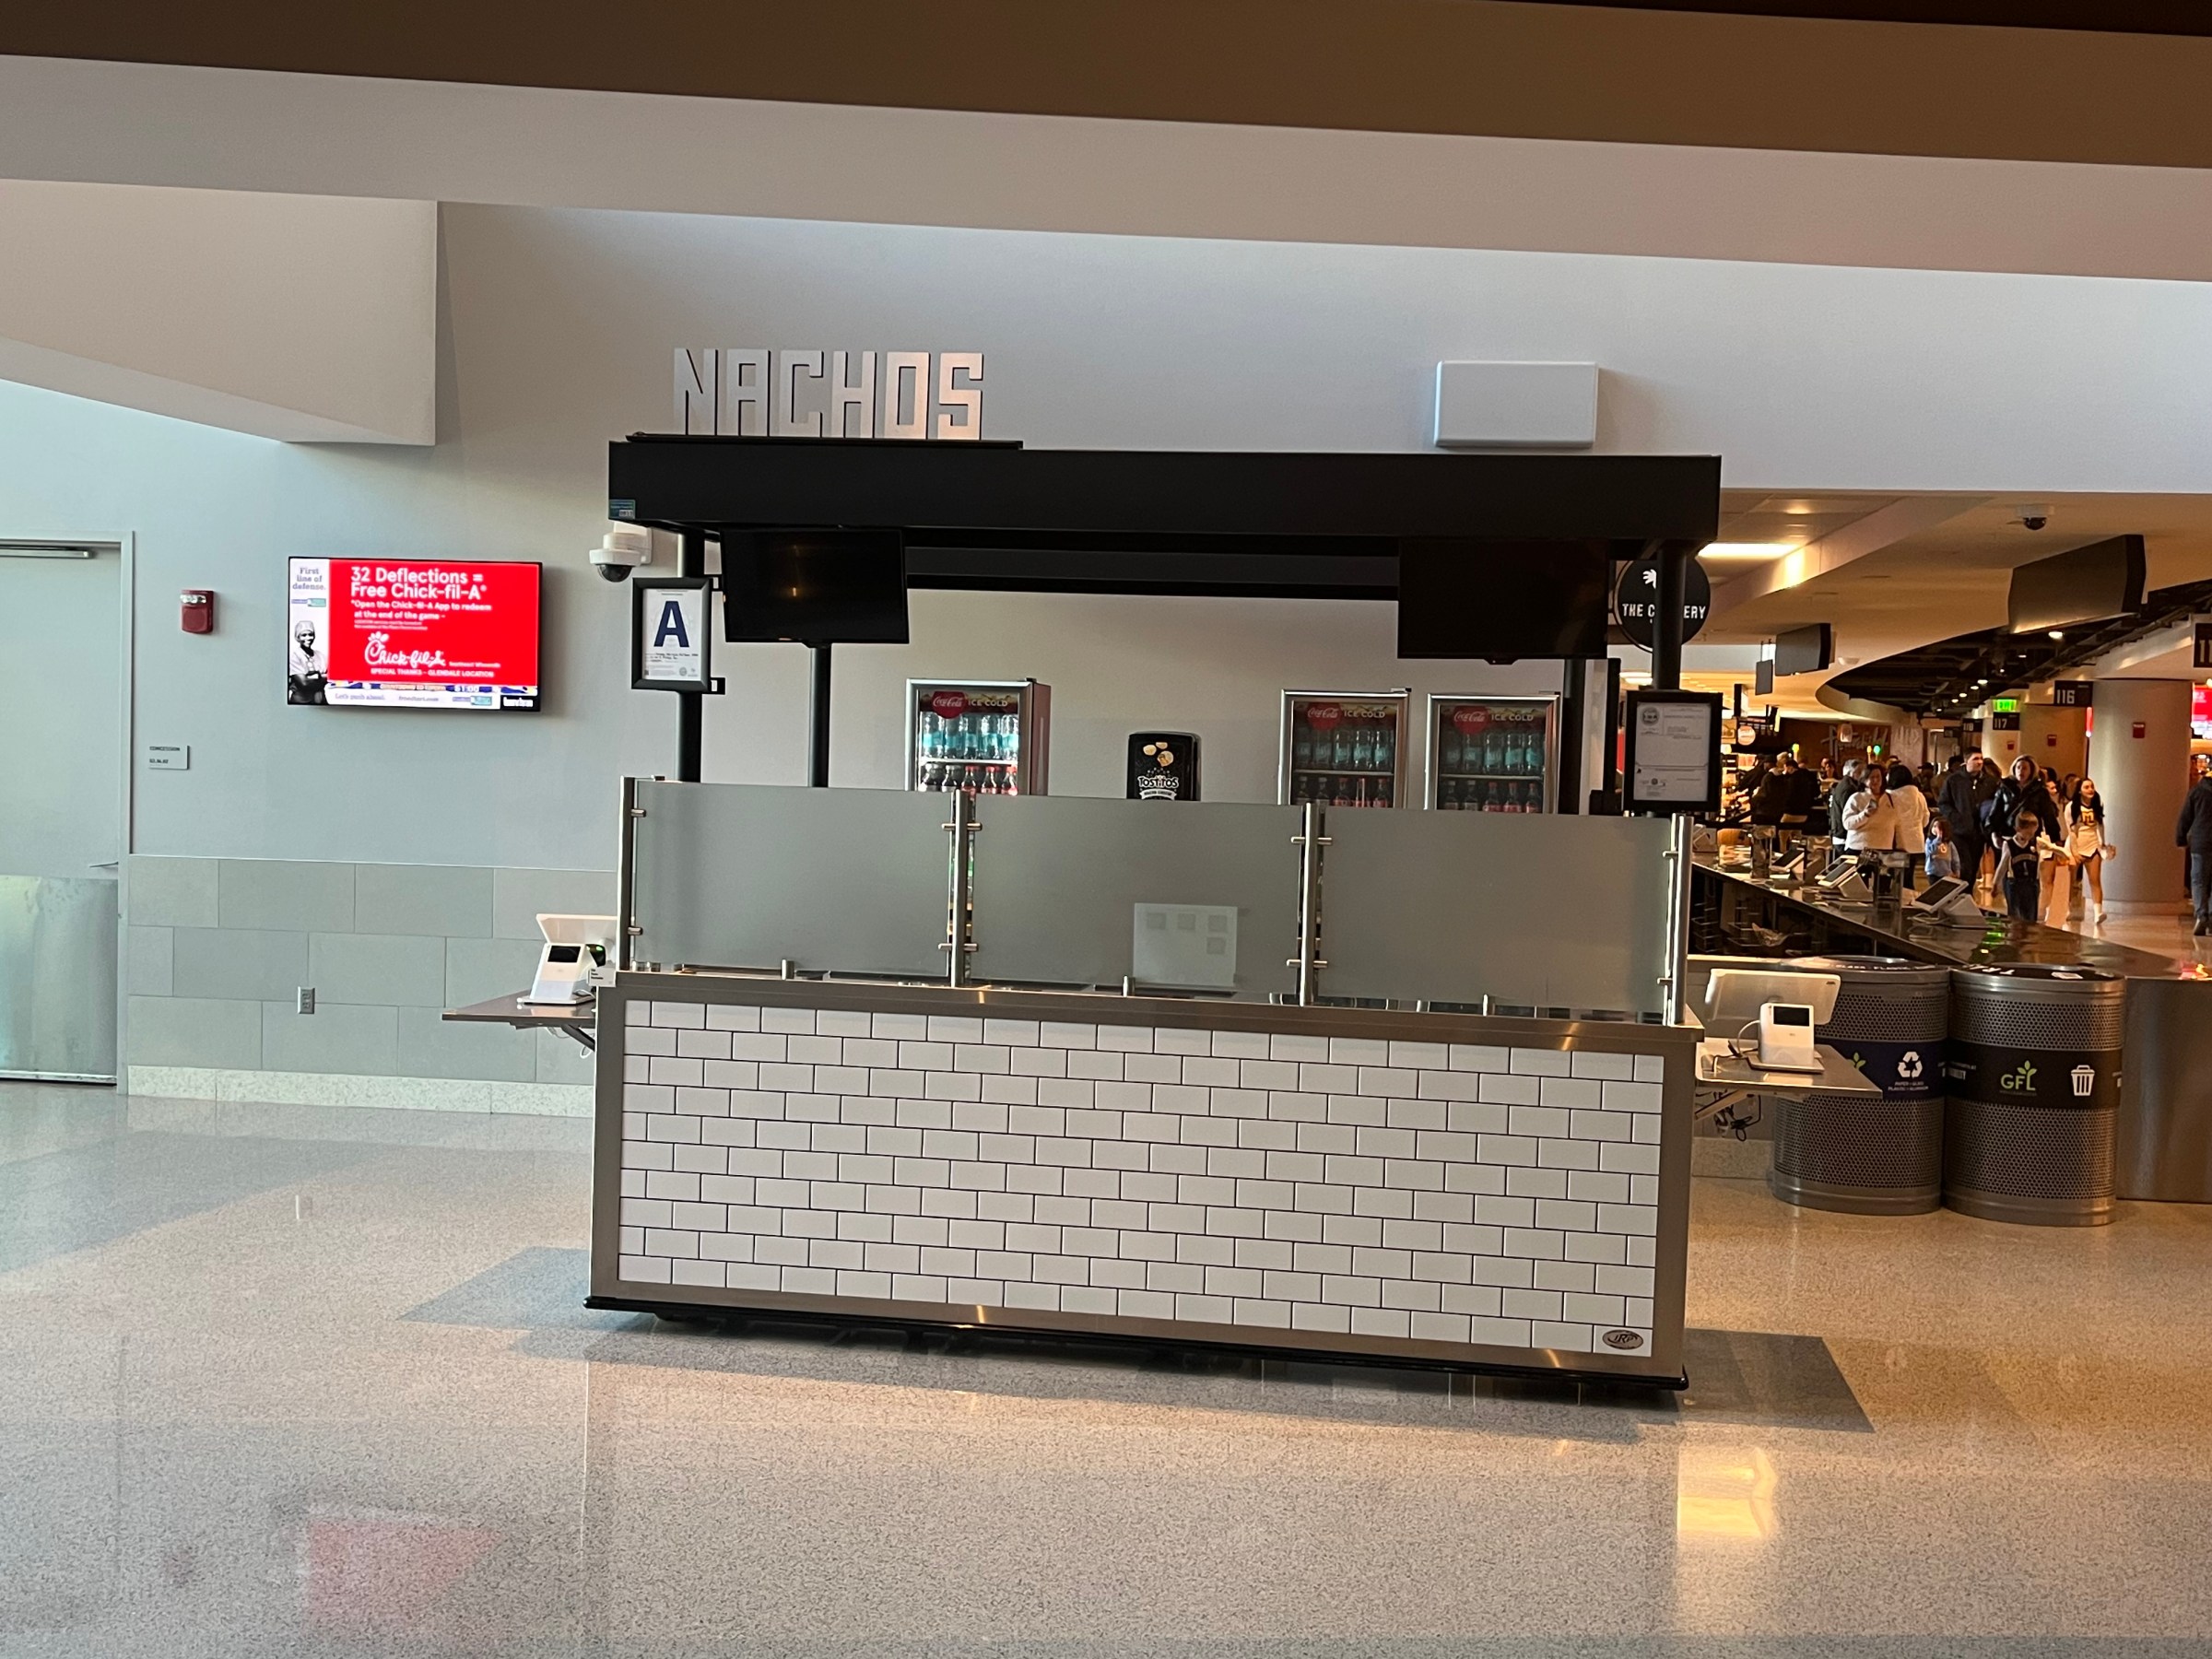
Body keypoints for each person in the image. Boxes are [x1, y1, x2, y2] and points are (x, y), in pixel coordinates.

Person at [1938, 753, 1997, 893]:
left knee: (1974, 866)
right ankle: (1961, 894)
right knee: (1965, 866)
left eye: (1981, 759)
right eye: (1975, 759)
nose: (1979, 762)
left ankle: (1967, 894)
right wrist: (1956, 818)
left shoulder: (1990, 782)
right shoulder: (1954, 781)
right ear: (1966, 761)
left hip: (1979, 832)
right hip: (1959, 832)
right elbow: (1944, 803)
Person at [2063, 777, 2113, 924]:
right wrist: (2075, 851)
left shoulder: (2097, 805)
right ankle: (2067, 909)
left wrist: (2102, 845)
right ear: (2079, 790)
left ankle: (2098, 912)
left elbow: (2100, 826)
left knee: (2095, 879)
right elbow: (2071, 831)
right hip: (2075, 844)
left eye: (2092, 786)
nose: (2090, 789)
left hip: (2092, 845)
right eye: (2086, 787)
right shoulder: (2071, 806)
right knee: (2070, 880)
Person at [1996, 809, 2062, 923]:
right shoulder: (2009, 844)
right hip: (2015, 884)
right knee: (2015, 916)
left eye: (2033, 833)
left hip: (2032, 884)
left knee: (2030, 916)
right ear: (2018, 829)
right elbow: (2002, 865)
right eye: (2028, 833)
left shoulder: (2036, 842)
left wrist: (2067, 854)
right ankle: (2016, 932)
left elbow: (2053, 847)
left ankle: (2028, 932)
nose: (2030, 836)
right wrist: (1995, 883)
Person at [2176, 765, 2212, 935]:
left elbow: (2185, 817)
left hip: (2200, 842)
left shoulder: (2196, 791)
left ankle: (2201, 915)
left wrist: (2180, 838)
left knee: (2198, 880)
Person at [1885, 761, 1930, 880]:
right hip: (1916, 842)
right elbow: (1926, 818)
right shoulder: (1919, 795)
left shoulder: (1890, 796)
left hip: (1896, 843)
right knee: (1908, 878)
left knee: (1894, 879)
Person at [1842, 766, 1900, 853]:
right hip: (1859, 848)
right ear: (1864, 780)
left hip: (1885, 848)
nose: (1875, 780)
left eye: (1878, 777)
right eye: (1872, 777)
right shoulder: (1857, 798)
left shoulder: (1891, 798)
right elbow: (1847, 824)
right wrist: (1864, 815)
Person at [1830, 759, 1866, 853]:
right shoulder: (1849, 789)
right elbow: (1849, 814)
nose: (1863, 775)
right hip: (1844, 838)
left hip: (1840, 834)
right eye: (1859, 772)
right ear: (1851, 773)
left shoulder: (1846, 785)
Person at [1925, 814, 1959, 881]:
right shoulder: (1929, 841)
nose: (1935, 829)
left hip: (1946, 873)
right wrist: (1938, 838)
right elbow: (1932, 851)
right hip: (1933, 872)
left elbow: (1955, 858)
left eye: (1939, 828)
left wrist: (1957, 871)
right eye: (1934, 826)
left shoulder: (1949, 844)